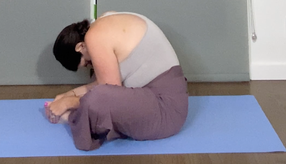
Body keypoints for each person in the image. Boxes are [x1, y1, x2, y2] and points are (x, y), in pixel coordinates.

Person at [47, 11, 189, 151]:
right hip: (166, 101)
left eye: (85, 62)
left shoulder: (94, 37)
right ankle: (82, 117)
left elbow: (109, 95)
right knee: (96, 95)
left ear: (80, 47)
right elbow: (103, 84)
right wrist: (67, 95)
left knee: (97, 100)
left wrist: (68, 103)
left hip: (165, 111)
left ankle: (74, 118)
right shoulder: (106, 19)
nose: (90, 64)